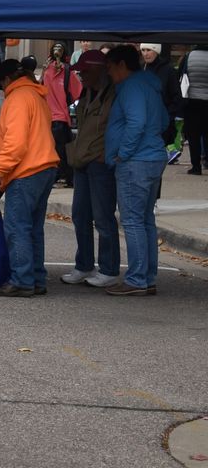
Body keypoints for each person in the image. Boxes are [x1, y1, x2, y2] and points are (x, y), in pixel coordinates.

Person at [0, 59, 60, 298]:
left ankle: (22, 280)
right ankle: (35, 278)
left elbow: (16, 144)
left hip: (26, 170)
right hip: (45, 166)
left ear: (7, 80)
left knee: (17, 227)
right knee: (33, 228)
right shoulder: (36, 96)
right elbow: (27, 135)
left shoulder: (17, 99)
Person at [104, 45, 169, 296]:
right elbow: (162, 121)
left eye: (110, 68)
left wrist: (123, 152)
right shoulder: (150, 86)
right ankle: (146, 276)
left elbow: (136, 122)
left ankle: (137, 278)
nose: (108, 74)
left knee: (132, 220)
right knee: (145, 220)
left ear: (121, 65)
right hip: (153, 156)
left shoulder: (131, 87)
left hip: (136, 161)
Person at [62, 49, 119, 288]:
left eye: (85, 71)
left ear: (99, 70)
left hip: (100, 162)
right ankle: (84, 265)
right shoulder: (87, 92)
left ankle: (109, 269)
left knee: (104, 218)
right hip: (82, 160)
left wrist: (108, 154)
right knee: (80, 215)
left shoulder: (115, 94)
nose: (81, 76)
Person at [42, 42, 82, 187]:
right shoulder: (67, 71)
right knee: (63, 150)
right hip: (61, 117)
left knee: (52, 150)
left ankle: (56, 176)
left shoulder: (46, 70)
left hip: (47, 117)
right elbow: (78, 92)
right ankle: (66, 178)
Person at [139, 44, 183, 164]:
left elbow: (176, 97)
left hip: (160, 125)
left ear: (156, 51)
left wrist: (167, 117)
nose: (146, 53)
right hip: (141, 123)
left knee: (154, 163)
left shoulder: (168, 70)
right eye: (143, 50)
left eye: (149, 50)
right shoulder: (140, 69)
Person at [181, 44, 208, 175]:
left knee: (194, 137)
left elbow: (181, 75)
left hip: (192, 101)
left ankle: (196, 166)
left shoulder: (189, 56)